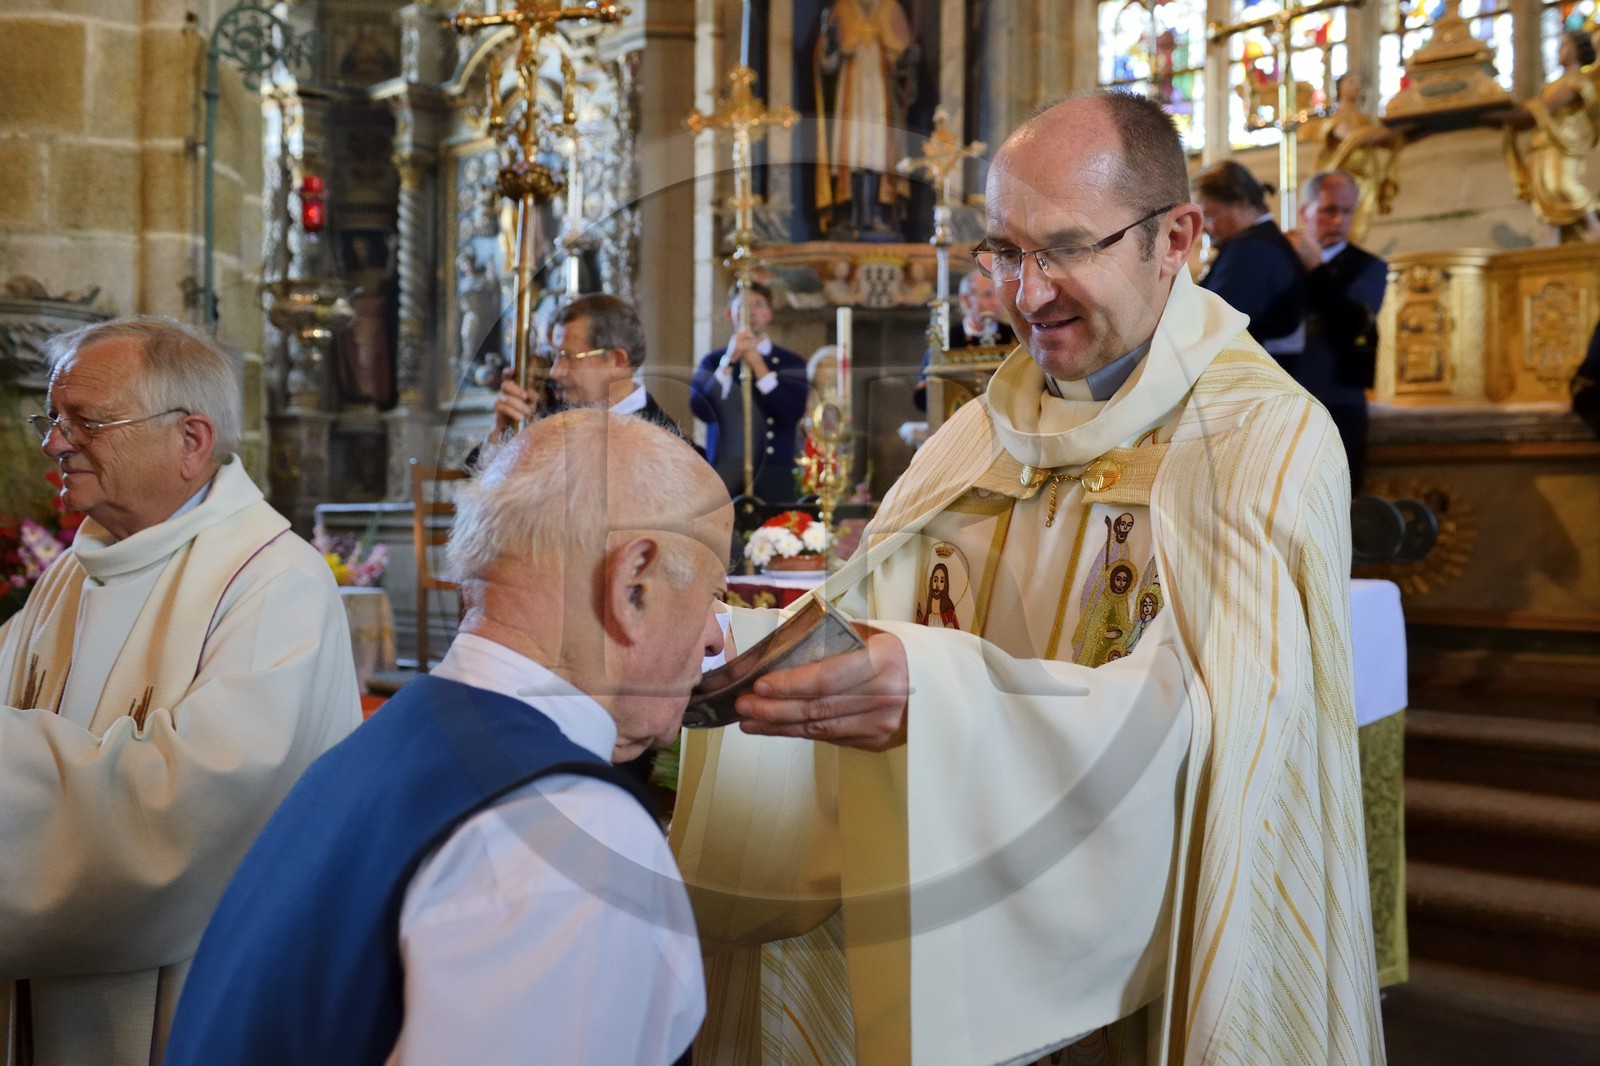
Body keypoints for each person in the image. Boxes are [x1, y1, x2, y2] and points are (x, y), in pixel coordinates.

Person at [671, 91, 1382, 1065]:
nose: (1024, 292)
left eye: (1064, 250)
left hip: (1136, 994)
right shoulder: (976, 435)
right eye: (1004, 252)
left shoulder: (1260, 439)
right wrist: (741, 649)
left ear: (1174, 238)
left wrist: (943, 700)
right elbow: (866, 626)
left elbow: (1225, 744)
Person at [164, 410, 732, 1066]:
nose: (718, 637)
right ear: (633, 585)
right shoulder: (571, 836)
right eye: (713, 593)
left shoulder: (372, 749)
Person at [0, 317, 362, 1065]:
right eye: (53, 418)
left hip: (189, 993)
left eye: (85, 422)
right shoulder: (79, 566)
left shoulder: (274, 582)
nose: (54, 442)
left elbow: (197, 797)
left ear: (191, 441)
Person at [1287, 169, 1390, 492]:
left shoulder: (1368, 266)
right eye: (1329, 210)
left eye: (1347, 212)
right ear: (1305, 211)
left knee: (1336, 500)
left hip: (1338, 398)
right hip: (1284, 397)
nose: (1339, 221)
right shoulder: (1280, 260)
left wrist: (1314, 267)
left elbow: (1353, 320)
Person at [483, 293, 685, 448]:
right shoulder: (545, 421)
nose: (555, 372)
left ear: (617, 361)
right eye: (556, 356)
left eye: (568, 357)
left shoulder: (673, 447)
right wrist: (502, 433)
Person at [689, 281, 809, 502]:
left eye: (759, 304)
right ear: (729, 313)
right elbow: (701, 409)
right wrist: (729, 361)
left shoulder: (791, 362)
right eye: (743, 305)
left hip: (774, 471)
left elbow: (791, 413)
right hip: (725, 471)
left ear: (769, 314)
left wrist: (758, 365)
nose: (751, 311)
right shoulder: (714, 361)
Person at [814, 0, 918, 237]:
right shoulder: (841, 9)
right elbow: (826, 66)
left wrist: (907, 60)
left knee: (877, 152)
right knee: (852, 152)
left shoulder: (891, 9)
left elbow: (903, 68)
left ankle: (877, 213)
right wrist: (830, 42)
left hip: (880, 96)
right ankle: (850, 214)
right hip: (850, 94)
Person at [1194, 160, 1307, 375]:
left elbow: (1214, 324)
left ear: (1241, 202)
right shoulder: (1259, 243)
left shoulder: (1254, 250)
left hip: (1252, 383)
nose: (1204, 228)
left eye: (1209, 215)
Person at [1503, 29, 1600, 242]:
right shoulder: (1554, 83)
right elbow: (1539, 108)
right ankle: (1551, 236)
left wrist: (1514, 112)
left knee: (1562, 185)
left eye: (1565, 45)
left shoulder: (1579, 81)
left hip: (1564, 140)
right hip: (1542, 140)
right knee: (1543, 192)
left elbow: (1549, 105)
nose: (1559, 49)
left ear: (1578, 51)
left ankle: (1594, 225)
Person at [1312, 73, 1401, 244]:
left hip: (1368, 181)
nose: (1357, 86)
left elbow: (1385, 140)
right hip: (1347, 182)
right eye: (1351, 82)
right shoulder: (1336, 117)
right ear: (1339, 88)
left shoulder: (1364, 119)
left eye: (1359, 83)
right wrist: (1379, 132)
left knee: (1360, 229)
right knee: (1345, 227)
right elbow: (1351, 136)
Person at [914, 270, 1017, 412]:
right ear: (966, 300)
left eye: (997, 295)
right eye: (987, 295)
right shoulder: (945, 340)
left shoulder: (1014, 337)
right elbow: (922, 396)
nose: (995, 302)